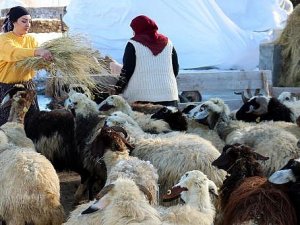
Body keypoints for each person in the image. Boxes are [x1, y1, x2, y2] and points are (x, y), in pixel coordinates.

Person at [0, 6, 53, 126]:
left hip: (28, 86)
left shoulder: (31, 40)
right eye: (24, 21)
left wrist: (47, 61)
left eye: (29, 21)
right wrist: (37, 52)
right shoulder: (4, 39)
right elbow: (15, 53)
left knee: (32, 123)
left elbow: (35, 63)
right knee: (8, 125)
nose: (28, 24)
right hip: (7, 89)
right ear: (14, 22)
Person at [115, 15, 179, 107]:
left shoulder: (133, 44)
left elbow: (127, 71)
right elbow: (175, 69)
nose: (133, 33)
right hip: (169, 96)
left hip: (141, 99)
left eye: (134, 29)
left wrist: (118, 89)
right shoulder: (168, 43)